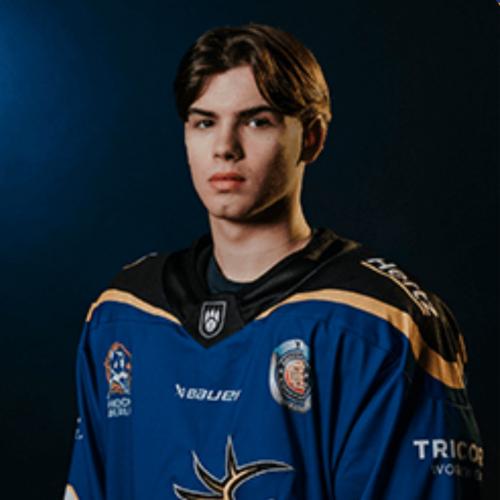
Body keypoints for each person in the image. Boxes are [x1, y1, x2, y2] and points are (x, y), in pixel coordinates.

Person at [64, 24, 483, 499]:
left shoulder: (379, 324)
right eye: (204, 122)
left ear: (312, 138)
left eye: (256, 121)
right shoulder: (123, 314)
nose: (225, 147)